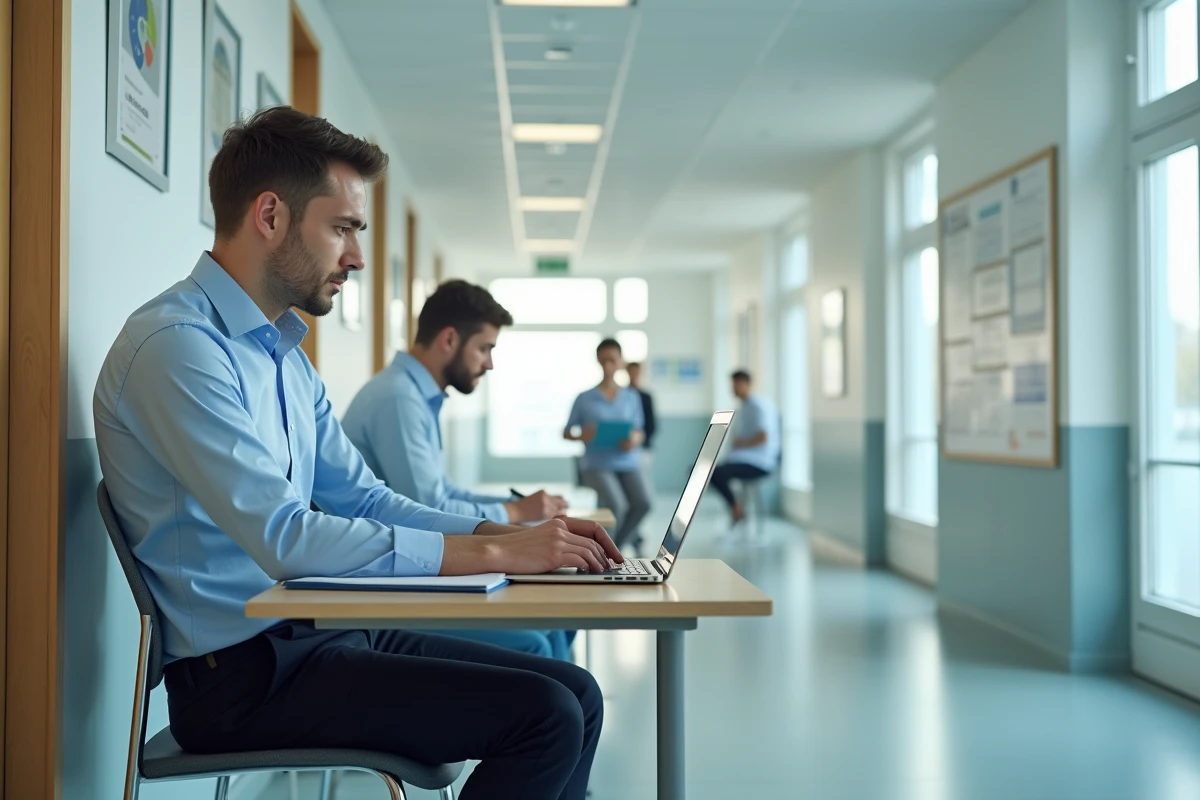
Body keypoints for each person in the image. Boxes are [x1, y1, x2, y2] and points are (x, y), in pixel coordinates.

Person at [93, 107, 619, 800]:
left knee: (577, 693)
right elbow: (285, 538)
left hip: (323, 632)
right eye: (342, 228)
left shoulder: (285, 357)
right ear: (270, 216)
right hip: (242, 678)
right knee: (545, 717)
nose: (358, 257)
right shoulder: (178, 348)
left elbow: (366, 498)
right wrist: (494, 553)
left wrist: (502, 533)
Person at [342, 279, 574, 660]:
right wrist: (514, 513)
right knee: (536, 640)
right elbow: (429, 507)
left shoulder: (414, 394)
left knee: (557, 621)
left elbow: (445, 492)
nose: (490, 363)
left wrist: (519, 509)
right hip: (384, 580)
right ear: (449, 339)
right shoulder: (399, 399)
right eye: (484, 348)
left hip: (408, 564)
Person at [564, 339, 652, 551]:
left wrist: (634, 440)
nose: (608, 365)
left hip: (627, 461)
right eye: (603, 360)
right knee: (616, 504)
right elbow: (567, 432)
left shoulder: (631, 397)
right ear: (597, 361)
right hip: (596, 464)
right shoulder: (584, 398)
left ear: (620, 361)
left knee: (644, 503)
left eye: (612, 360)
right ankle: (607, 551)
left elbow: (640, 431)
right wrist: (582, 436)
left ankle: (613, 548)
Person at [709, 370, 781, 524]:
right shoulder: (743, 406)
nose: (733, 389)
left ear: (747, 384)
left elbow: (764, 436)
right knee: (709, 471)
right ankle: (736, 507)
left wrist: (741, 443)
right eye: (732, 385)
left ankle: (736, 508)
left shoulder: (758, 406)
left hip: (758, 462)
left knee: (717, 472)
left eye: (737, 385)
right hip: (744, 458)